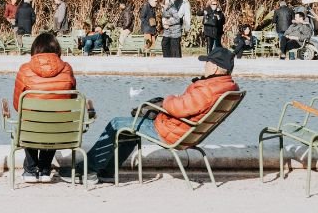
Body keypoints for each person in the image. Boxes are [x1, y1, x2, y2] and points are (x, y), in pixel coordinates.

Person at [87, 47, 238, 183]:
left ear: (216, 67)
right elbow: (189, 106)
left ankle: (87, 170)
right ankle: (107, 171)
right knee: (130, 126)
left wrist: (168, 99)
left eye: (207, 63)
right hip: (185, 131)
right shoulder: (225, 87)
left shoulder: (207, 89)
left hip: (171, 132)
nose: (205, 66)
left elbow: (179, 108)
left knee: (116, 123)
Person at [3, 32, 81, 183]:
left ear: (35, 49)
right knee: (54, 117)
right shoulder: (67, 69)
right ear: (57, 50)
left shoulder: (25, 69)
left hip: (31, 129)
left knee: (30, 119)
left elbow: (17, 106)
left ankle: (31, 170)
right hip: (60, 129)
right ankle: (45, 169)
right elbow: (72, 98)